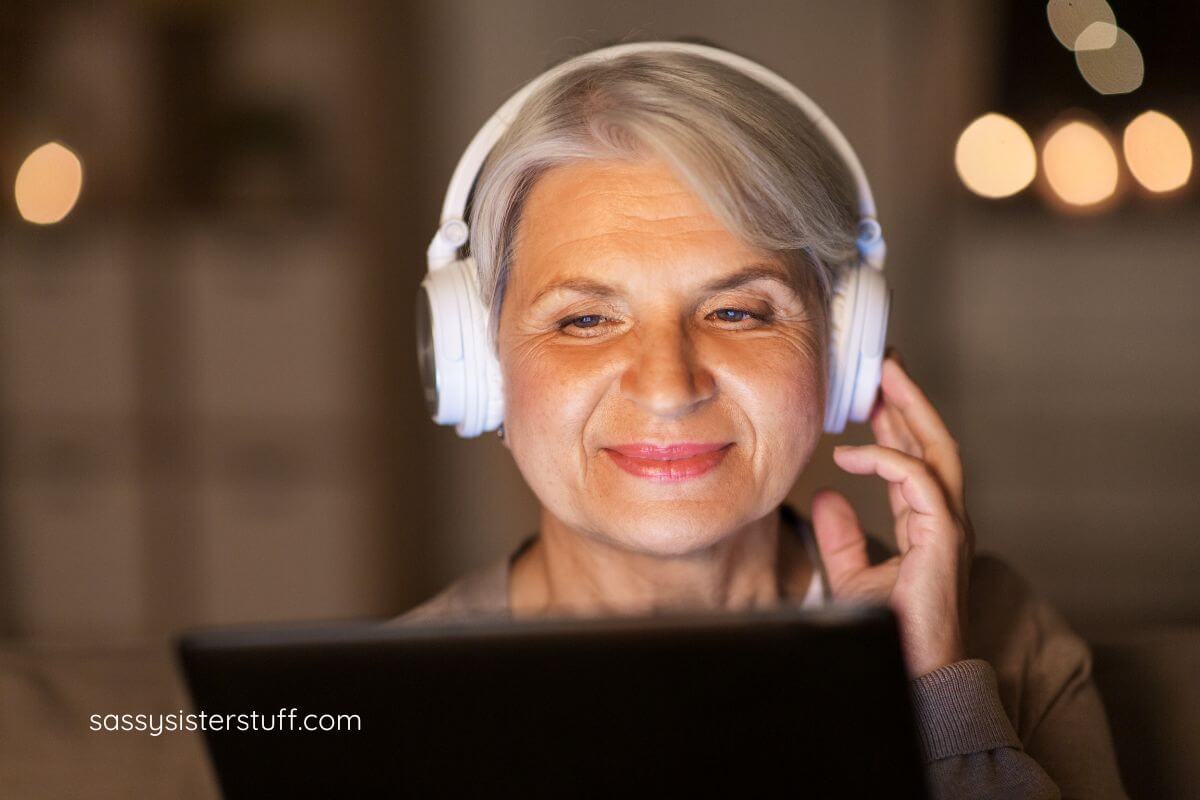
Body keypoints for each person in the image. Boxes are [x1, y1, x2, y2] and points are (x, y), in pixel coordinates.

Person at [397, 41, 1129, 799]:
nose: (668, 386)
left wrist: (931, 695)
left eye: (737, 310)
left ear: (842, 350)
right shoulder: (388, 706)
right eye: (585, 319)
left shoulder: (1002, 638)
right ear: (477, 369)